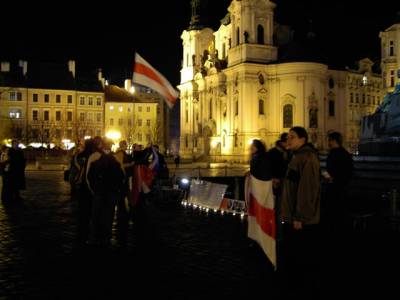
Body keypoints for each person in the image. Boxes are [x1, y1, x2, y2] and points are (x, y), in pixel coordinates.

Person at [280, 127, 321, 295]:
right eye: (288, 137)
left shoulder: (307, 158)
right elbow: (294, 184)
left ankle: (300, 287)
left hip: (300, 220)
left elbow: (307, 190)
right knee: (293, 254)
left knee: (300, 255)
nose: (288, 140)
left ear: (303, 140)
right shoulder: (296, 157)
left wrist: (300, 217)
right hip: (292, 217)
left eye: (292, 137)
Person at [87, 139, 125, 247]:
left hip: (99, 192)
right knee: (108, 216)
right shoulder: (116, 158)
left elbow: (89, 176)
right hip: (111, 193)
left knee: (96, 216)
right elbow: (122, 176)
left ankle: (94, 238)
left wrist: (93, 190)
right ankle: (106, 238)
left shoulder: (95, 157)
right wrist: (117, 189)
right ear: (111, 147)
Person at [325, 131, 354, 232]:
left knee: (335, 213)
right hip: (340, 188)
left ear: (333, 141)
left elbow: (333, 170)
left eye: (329, 140)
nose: (328, 143)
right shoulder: (344, 153)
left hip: (336, 188)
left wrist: (332, 178)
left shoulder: (336, 154)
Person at [75, 138, 97, 244]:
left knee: (83, 208)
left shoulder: (83, 154)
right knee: (89, 206)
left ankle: (82, 229)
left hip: (83, 184)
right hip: (90, 183)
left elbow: (77, 161)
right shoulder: (94, 154)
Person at [114, 140, 134, 244]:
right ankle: (123, 212)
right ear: (122, 145)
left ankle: (125, 210)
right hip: (123, 177)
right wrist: (130, 164)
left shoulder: (122, 153)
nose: (126, 146)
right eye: (125, 144)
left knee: (125, 193)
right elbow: (120, 165)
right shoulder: (120, 153)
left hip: (124, 177)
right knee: (123, 194)